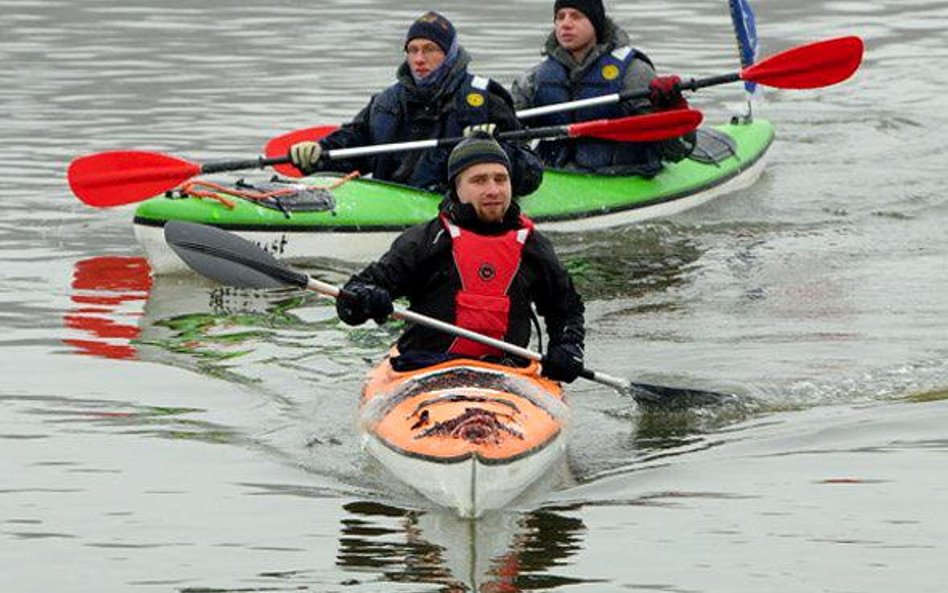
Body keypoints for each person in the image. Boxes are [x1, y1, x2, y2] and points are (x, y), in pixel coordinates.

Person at [333, 133, 586, 383]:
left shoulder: (533, 246)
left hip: (507, 376)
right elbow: (349, 305)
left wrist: (568, 346)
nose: (493, 190)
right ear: (456, 187)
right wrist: (365, 299)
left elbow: (566, 309)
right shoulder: (424, 241)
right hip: (425, 370)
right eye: (479, 181)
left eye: (501, 179)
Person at [289, 11, 543, 197]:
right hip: (390, 202)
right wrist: (318, 154)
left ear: (450, 54)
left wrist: (496, 148)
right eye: (413, 50)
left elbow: (530, 174)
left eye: (430, 49)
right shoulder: (385, 102)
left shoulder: (485, 99)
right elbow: (355, 143)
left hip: (453, 205)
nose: (419, 59)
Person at [511, 0, 695, 176]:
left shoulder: (634, 74)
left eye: (576, 16)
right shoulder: (535, 78)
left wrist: (670, 107)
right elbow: (511, 133)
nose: (565, 24)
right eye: (560, 17)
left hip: (625, 175)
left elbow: (676, 152)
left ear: (595, 23)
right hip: (556, 174)